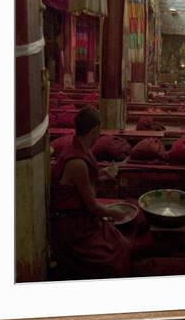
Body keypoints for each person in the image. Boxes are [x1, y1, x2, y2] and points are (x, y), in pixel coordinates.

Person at [50, 107, 132, 279]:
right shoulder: (76, 162)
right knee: (115, 258)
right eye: (99, 130)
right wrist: (115, 212)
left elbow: (83, 182)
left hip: (84, 218)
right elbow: (93, 206)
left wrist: (104, 173)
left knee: (122, 242)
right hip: (74, 228)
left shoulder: (81, 148)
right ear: (94, 130)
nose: (100, 134)